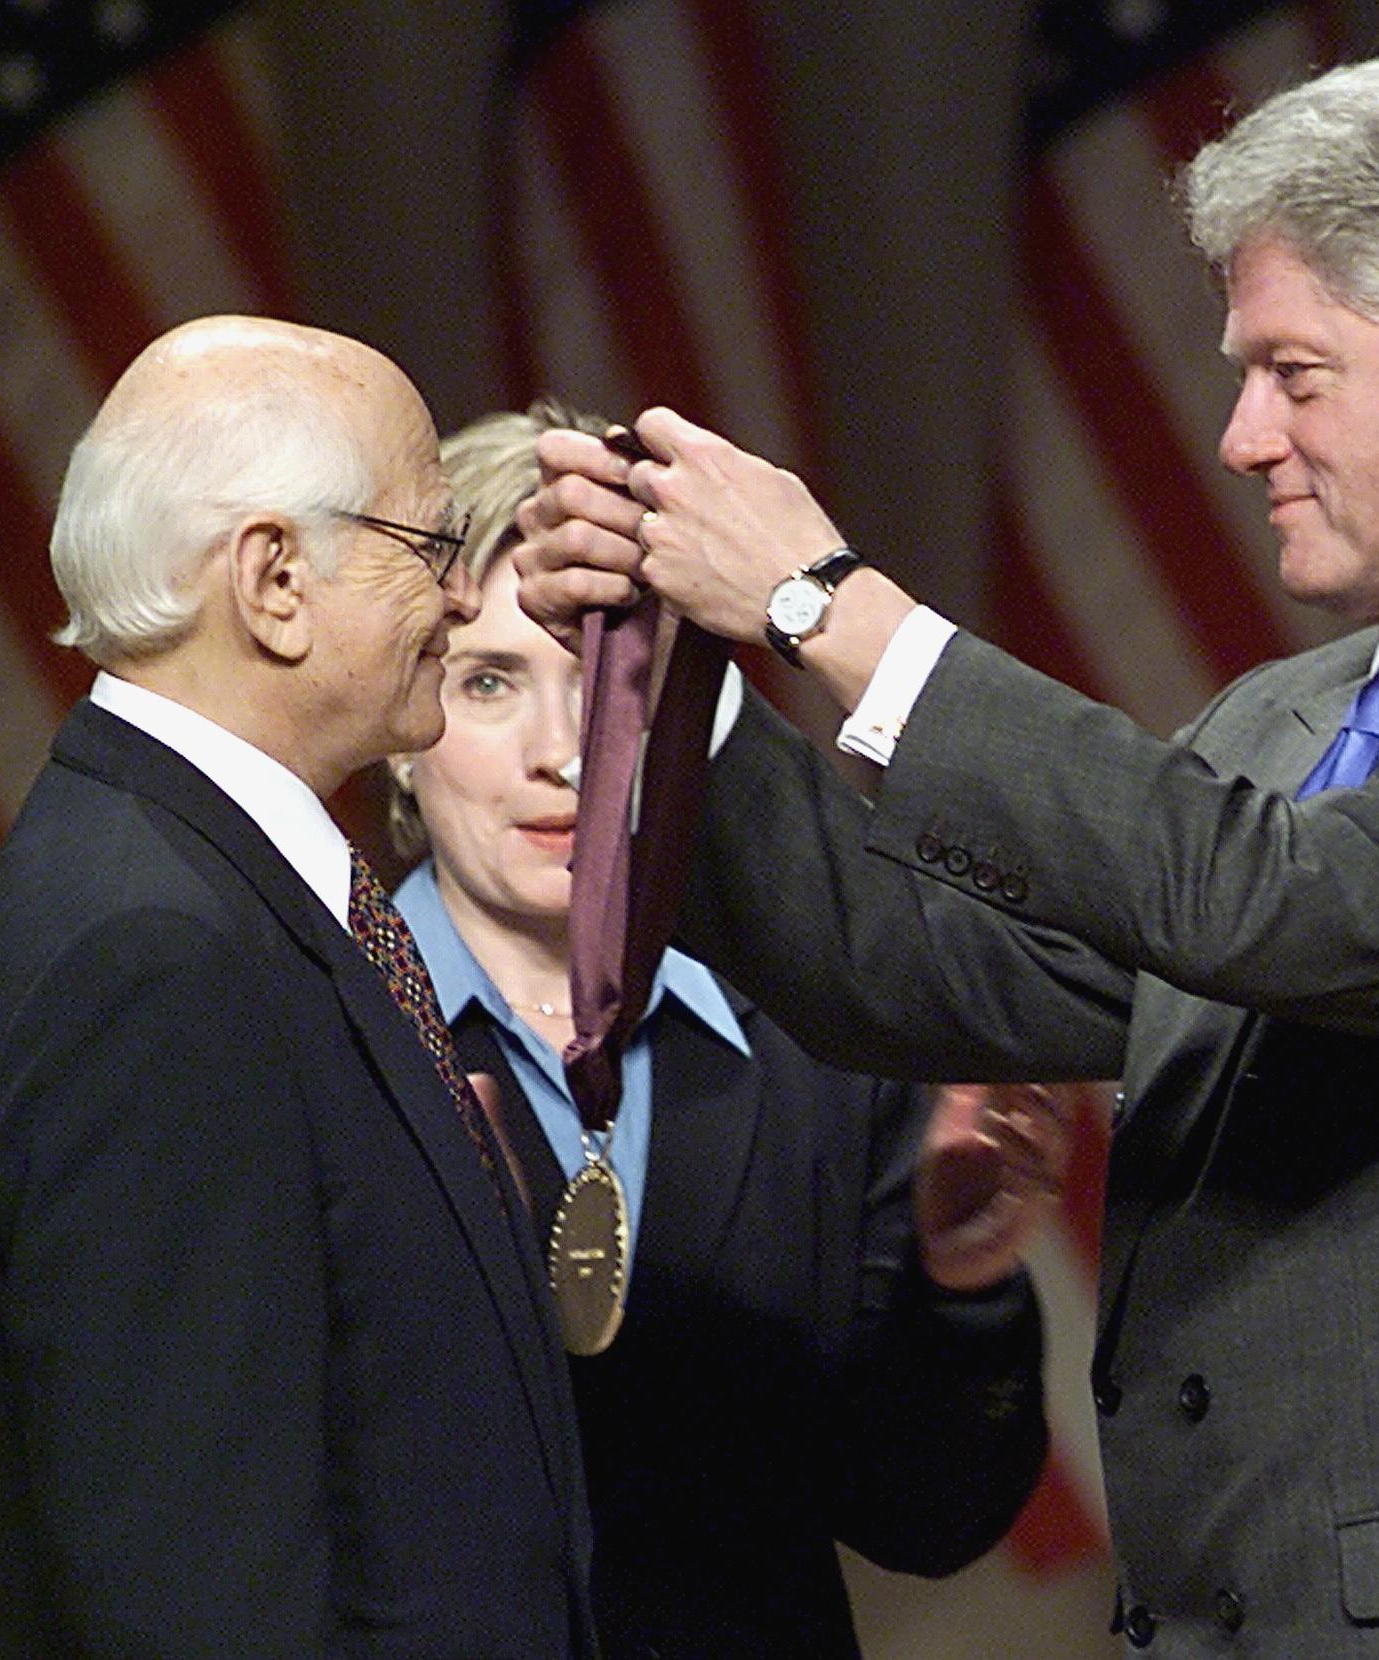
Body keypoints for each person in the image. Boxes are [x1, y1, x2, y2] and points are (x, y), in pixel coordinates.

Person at [509, 55, 1379, 1659]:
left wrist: (827, 606)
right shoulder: (1286, 723)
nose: (1236, 438)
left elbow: (1273, 905)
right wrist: (675, 668)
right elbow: (912, 967)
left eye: (1293, 372)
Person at [0, 317, 595, 1657]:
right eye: (429, 551)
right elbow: (194, 1594)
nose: (465, 598)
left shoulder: (201, 883)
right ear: (275, 579)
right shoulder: (151, 954)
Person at [379, 401, 1054, 1659]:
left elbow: (926, 1520)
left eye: (605, 685)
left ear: (674, 717)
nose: (559, 756)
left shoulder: (824, 1031)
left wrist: (959, 1293)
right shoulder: (326, 1029)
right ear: (403, 731)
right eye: (486, 680)